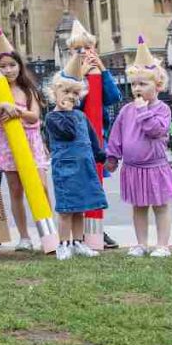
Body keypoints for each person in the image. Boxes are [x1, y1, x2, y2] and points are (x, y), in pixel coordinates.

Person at [105, 37, 172, 257]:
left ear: (157, 86)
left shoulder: (162, 109)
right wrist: (112, 156)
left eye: (143, 84)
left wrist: (142, 111)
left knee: (160, 206)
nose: (137, 88)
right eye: (134, 84)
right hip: (133, 167)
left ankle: (163, 245)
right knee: (138, 206)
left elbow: (156, 130)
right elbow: (116, 134)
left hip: (155, 166)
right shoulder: (126, 110)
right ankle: (141, 243)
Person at [0, 30, 49, 252]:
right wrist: (3, 106)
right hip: (7, 143)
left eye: (12, 65)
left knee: (40, 186)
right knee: (15, 190)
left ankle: (48, 233)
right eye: (3, 66)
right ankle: (24, 236)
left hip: (31, 142)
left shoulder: (28, 89)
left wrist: (17, 111)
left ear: (19, 66)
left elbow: (35, 116)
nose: (8, 70)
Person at [66, 20, 122, 249]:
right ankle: (76, 232)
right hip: (76, 142)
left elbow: (114, 97)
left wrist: (103, 70)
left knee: (95, 187)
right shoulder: (69, 77)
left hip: (96, 141)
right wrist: (80, 78)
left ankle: (96, 229)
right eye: (78, 49)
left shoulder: (98, 73)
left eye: (88, 49)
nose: (84, 54)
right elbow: (70, 104)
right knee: (78, 187)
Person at [45, 70, 108, 261]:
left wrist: (99, 154)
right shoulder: (53, 118)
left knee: (81, 207)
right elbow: (68, 133)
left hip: (84, 166)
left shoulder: (80, 115)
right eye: (66, 92)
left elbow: (92, 137)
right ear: (54, 93)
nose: (70, 96)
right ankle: (63, 244)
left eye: (74, 93)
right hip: (66, 168)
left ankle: (78, 242)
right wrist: (66, 113)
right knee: (66, 209)